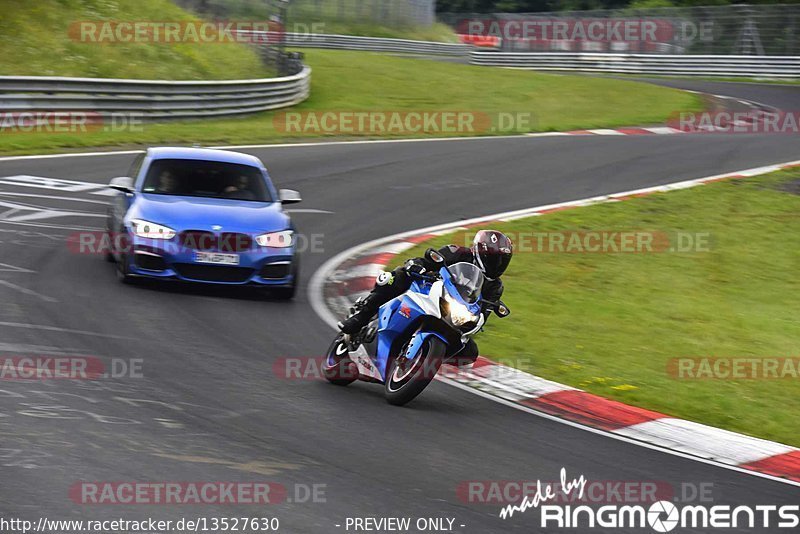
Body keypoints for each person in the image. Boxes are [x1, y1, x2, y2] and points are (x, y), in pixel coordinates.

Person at [338, 230, 513, 365]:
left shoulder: (496, 287)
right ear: (480, 252)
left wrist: (475, 321)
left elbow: (483, 315)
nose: (498, 264)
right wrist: (417, 266)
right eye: (494, 258)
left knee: (470, 352)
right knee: (395, 278)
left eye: (502, 260)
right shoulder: (457, 252)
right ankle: (361, 317)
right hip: (428, 290)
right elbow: (426, 260)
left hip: (453, 313)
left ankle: (425, 359)